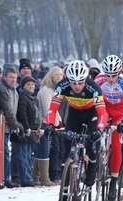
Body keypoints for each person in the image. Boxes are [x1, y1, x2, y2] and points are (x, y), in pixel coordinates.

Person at [45, 60, 108, 188]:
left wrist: (100, 129)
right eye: (73, 83)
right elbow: (52, 109)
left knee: (91, 143)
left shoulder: (94, 88)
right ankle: (67, 179)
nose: (77, 86)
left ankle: (91, 168)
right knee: (67, 144)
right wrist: (50, 124)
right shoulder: (62, 86)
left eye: (80, 82)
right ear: (68, 80)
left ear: (86, 79)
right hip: (74, 113)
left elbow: (102, 113)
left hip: (92, 114)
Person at [94, 55, 123, 200]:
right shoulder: (99, 79)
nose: (110, 79)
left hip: (120, 111)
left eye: (113, 75)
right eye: (108, 75)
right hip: (105, 108)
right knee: (97, 128)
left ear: (119, 73)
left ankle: (114, 182)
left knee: (117, 145)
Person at [34, 67, 64, 186]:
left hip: (54, 123)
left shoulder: (54, 91)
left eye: (61, 75)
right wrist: (57, 123)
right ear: (51, 76)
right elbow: (48, 110)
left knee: (57, 149)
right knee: (48, 150)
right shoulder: (46, 90)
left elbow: (56, 110)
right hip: (46, 123)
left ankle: (52, 175)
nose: (59, 77)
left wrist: (59, 121)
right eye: (57, 74)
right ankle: (47, 177)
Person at [0, 65, 24, 188]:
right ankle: (5, 178)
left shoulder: (14, 90)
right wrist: (16, 125)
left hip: (9, 126)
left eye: (15, 77)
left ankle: (7, 177)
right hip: (1, 125)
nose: (14, 80)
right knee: (4, 152)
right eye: (11, 77)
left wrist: (17, 124)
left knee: (7, 152)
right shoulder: (2, 89)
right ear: (4, 77)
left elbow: (15, 109)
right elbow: (7, 109)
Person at [15, 76, 41, 187]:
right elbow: (22, 114)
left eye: (32, 84)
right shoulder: (23, 97)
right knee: (22, 155)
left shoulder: (33, 98)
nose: (31, 86)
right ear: (23, 86)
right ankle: (25, 179)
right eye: (28, 84)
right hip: (24, 130)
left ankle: (28, 176)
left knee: (28, 155)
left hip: (32, 130)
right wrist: (26, 127)